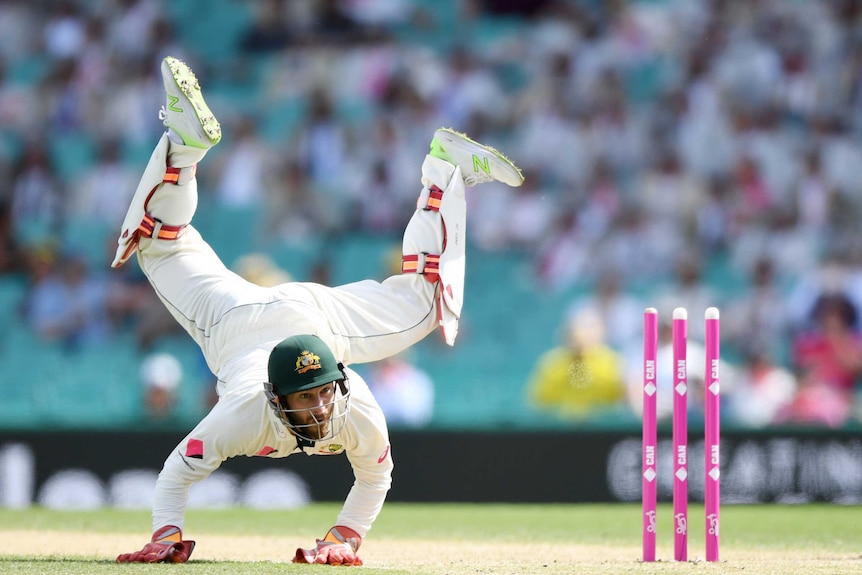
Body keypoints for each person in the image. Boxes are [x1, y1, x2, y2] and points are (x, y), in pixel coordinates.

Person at [113, 56, 523, 565]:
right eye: (308, 399)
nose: (324, 408)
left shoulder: (350, 399)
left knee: (157, 243)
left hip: (299, 322)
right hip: (248, 318)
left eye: (325, 393)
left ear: (340, 378)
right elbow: (179, 471)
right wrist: (168, 537)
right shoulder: (244, 414)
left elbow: (374, 473)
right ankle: (442, 169)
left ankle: (184, 149)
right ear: (275, 399)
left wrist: (339, 538)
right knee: (422, 304)